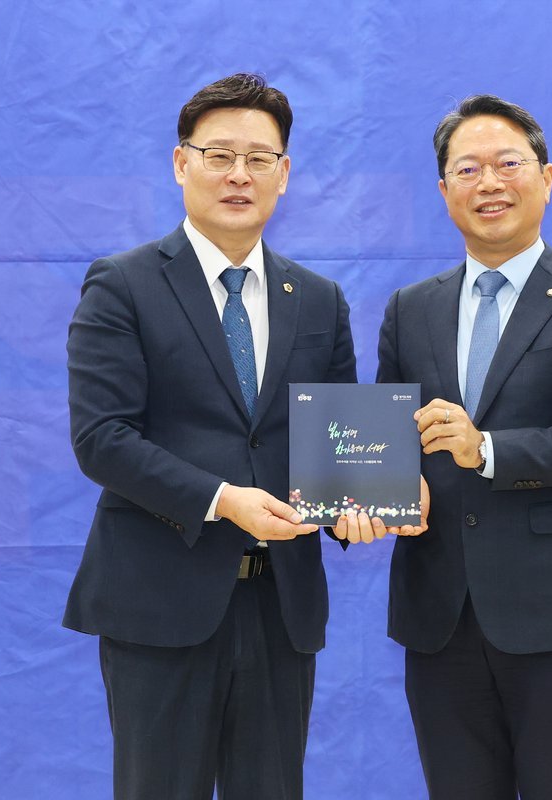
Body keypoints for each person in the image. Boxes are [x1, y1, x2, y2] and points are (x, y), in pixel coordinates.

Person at [62, 73, 356, 800]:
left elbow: (338, 448)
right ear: (180, 163)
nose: (238, 174)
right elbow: (102, 438)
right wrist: (224, 500)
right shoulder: (123, 285)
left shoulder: (319, 300)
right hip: (160, 604)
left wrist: (362, 503)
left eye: (259, 159)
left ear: (284, 174)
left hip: (282, 608)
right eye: (219, 155)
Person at [375, 94, 552, 799]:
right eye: (467, 170)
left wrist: (486, 450)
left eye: (508, 164)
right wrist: (376, 495)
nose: (488, 184)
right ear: (444, 190)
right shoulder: (411, 308)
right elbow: (389, 443)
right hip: (437, 609)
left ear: (546, 179)